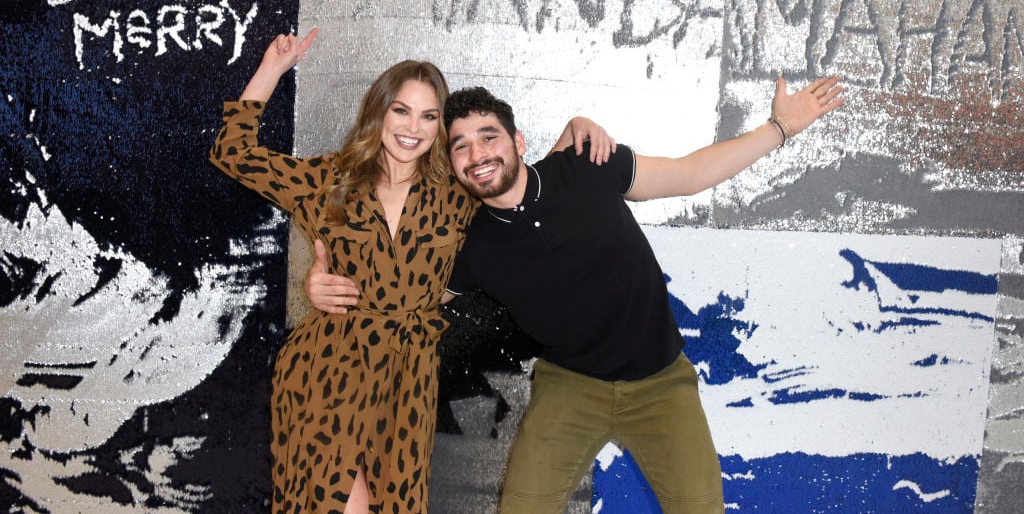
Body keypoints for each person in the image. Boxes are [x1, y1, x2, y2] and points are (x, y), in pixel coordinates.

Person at [208, 30, 612, 514]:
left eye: (428, 115)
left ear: (441, 127)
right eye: (401, 110)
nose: (412, 127)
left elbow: (526, 182)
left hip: (408, 381)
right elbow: (233, 152)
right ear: (379, 110)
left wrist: (575, 127)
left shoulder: (458, 195)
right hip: (328, 368)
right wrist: (273, 67)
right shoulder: (328, 180)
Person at [434, 76, 845, 514]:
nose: (477, 154)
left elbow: (690, 174)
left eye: (488, 136)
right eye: (461, 146)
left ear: (517, 140)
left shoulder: (584, 165)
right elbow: (409, 296)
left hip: (661, 383)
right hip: (570, 387)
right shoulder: (471, 247)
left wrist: (778, 128)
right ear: (452, 162)